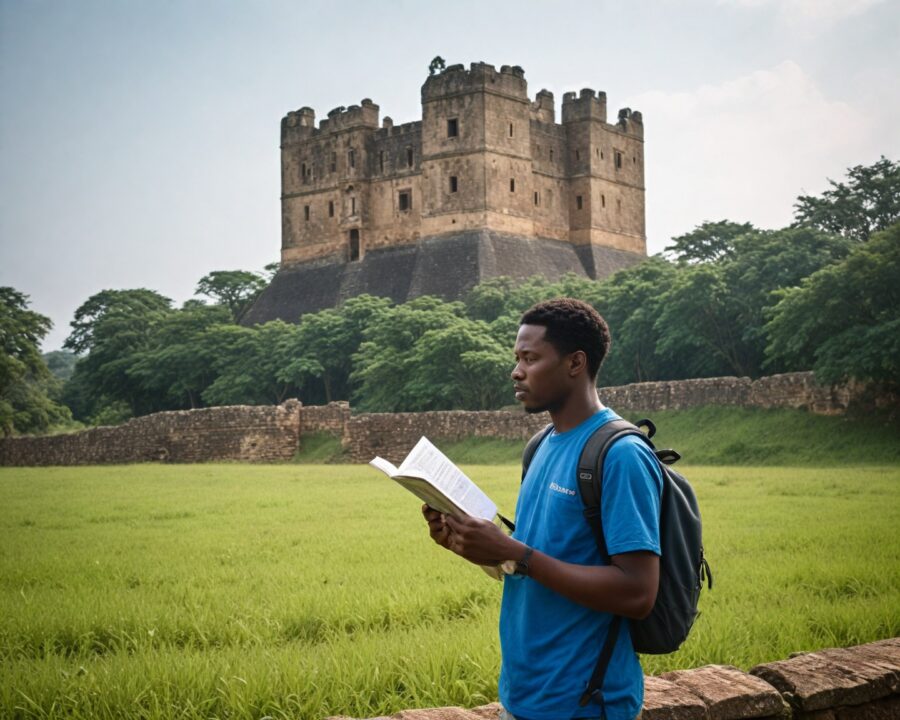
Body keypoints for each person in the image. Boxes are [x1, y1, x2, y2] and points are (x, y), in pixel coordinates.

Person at [423, 298, 662, 720]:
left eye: (530, 358)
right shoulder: (540, 445)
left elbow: (638, 592)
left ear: (575, 363)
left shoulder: (620, 455)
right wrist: (472, 545)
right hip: (524, 697)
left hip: (586, 704)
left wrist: (515, 552)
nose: (516, 371)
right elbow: (541, 562)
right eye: (516, 358)